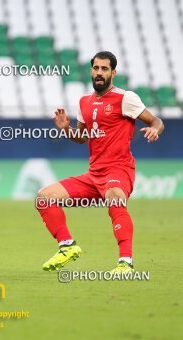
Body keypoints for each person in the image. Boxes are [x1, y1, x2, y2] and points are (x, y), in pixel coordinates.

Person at [37, 51, 164, 273]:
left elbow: (156, 120)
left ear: (113, 73)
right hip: (93, 174)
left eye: (104, 69)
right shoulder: (84, 102)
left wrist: (154, 129)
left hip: (119, 169)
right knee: (43, 198)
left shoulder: (126, 98)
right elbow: (82, 137)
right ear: (90, 70)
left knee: (115, 199)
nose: (99, 73)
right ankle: (66, 246)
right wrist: (66, 128)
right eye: (96, 68)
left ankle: (126, 262)